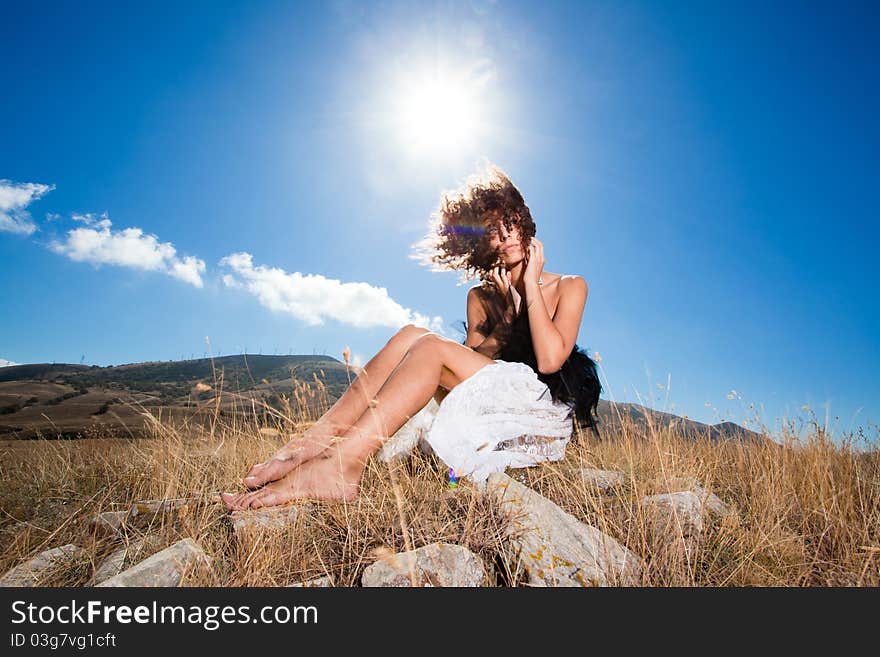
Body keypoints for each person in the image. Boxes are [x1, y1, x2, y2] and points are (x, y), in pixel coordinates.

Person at [221, 164, 601, 510]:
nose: (505, 237)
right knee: (412, 335)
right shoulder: (481, 297)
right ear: (480, 246)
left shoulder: (570, 286)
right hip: (486, 395)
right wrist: (502, 322)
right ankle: (315, 443)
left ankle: (343, 465)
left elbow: (551, 360)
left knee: (431, 346)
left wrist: (529, 288)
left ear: (525, 220)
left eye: (511, 222)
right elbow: (465, 368)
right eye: (491, 233)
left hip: (534, 404)